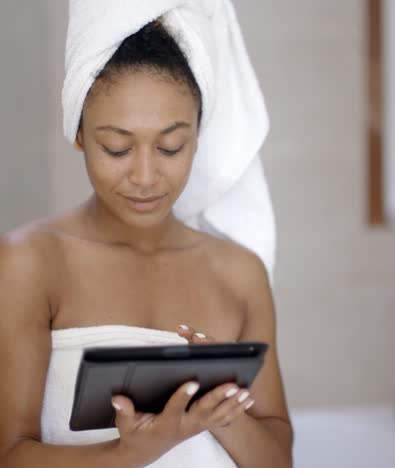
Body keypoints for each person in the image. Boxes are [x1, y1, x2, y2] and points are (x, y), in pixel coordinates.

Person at [0, 9, 293, 468]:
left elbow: (278, 459)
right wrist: (128, 453)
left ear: (198, 135)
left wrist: (217, 409)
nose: (145, 176)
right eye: (116, 148)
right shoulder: (30, 263)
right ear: (79, 133)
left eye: (171, 146)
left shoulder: (240, 273)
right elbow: (10, 454)